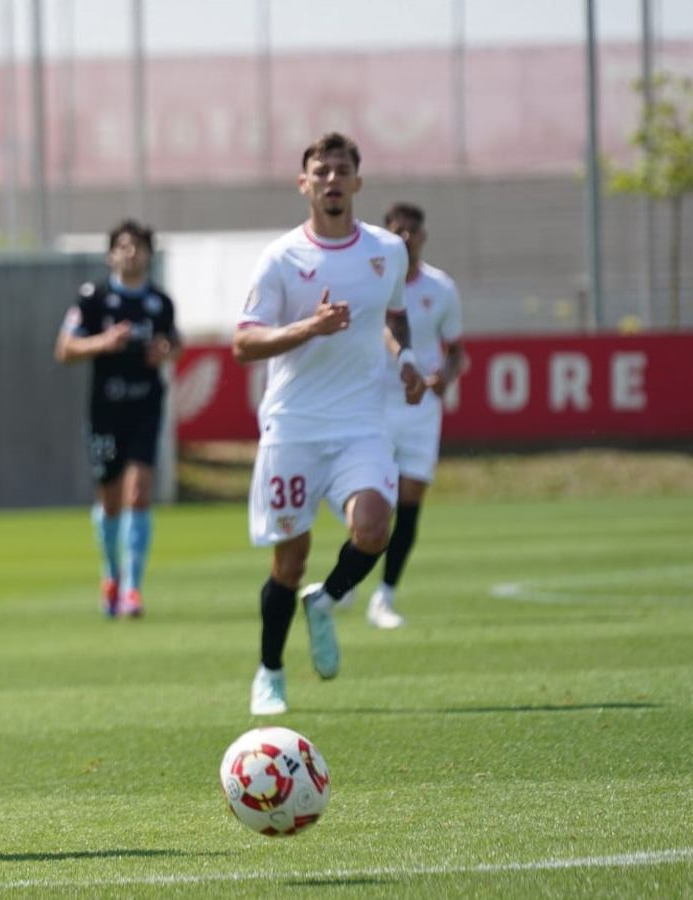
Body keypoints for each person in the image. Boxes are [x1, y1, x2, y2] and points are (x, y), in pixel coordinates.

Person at [232, 132, 427, 716]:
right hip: (293, 426)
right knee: (288, 563)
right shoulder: (281, 258)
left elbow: (393, 315)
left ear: (358, 183)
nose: (332, 180)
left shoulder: (387, 250)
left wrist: (408, 359)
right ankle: (269, 673)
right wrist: (307, 329)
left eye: (342, 170)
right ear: (304, 184)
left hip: (360, 422)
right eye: (321, 171)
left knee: (373, 528)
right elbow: (244, 343)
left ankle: (330, 599)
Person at [54, 220, 180, 618]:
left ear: (148, 254)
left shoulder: (160, 301)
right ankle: (110, 572)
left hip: (146, 406)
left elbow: (174, 343)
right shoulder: (94, 298)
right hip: (105, 410)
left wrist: (165, 351)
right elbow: (64, 349)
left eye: (139, 246)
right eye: (124, 246)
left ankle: (132, 589)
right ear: (111, 254)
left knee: (139, 492)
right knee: (109, 502)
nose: (132, 253)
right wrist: (105, 343)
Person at [366, 203, 466, 628]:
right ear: (389, 237)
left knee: (409, 502)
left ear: (424, 236)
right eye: (398, 231)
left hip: (421, 408)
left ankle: (384, 597)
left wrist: (444, 376)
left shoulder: (442, 288)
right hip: (376, 402)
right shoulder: (373, 283)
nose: (406, 238)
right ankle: (350, 575)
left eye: (413, 231)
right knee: (373, 498)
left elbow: (457, 350)